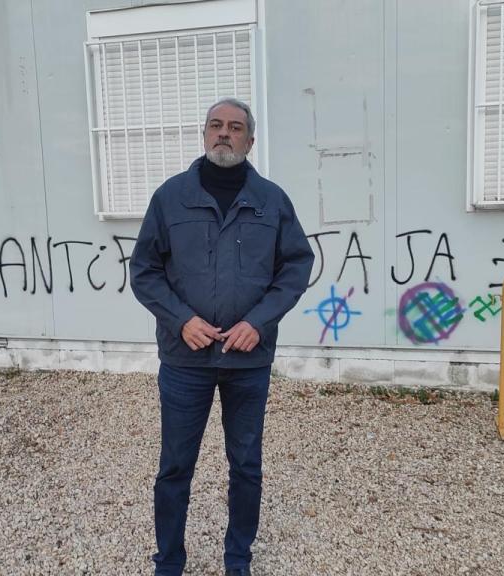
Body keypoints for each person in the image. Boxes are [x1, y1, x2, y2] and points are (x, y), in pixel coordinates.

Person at [131, 98, 314, 576]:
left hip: (247, 363)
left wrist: (259, 322)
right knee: (174, 468)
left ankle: (238, 560)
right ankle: (169, 561)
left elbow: (296, 265)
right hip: (184, 360)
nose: (224, 134)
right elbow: (145, 271)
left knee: (246, 466)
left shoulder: (272, 200)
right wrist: (180, 320)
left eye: (235, 128)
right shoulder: (170, 198)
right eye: (216, 125)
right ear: (204, 134)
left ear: (250, 140)